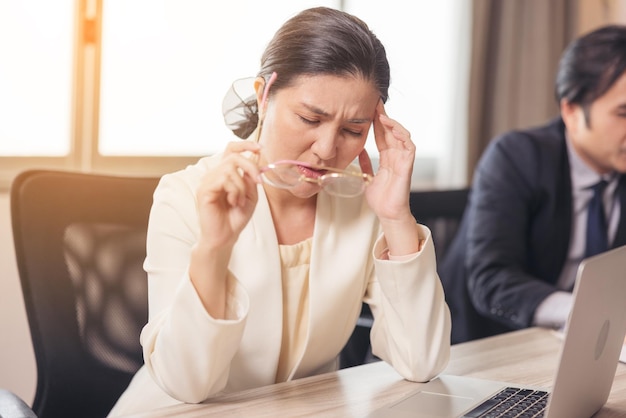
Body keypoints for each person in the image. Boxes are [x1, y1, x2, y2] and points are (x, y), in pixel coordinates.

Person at [108, 7, 451, 416]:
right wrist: (215, 248)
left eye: (352, 131)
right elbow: (186, 384)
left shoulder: (363, 205)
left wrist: (396, 218)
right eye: (310, 118)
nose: (326, 149)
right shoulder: (185, 196)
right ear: (263, 95)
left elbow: (423, 360)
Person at [441, 24, 626, 344]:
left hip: (578, 348)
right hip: (477, 347)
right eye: (623, 113)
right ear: (571, 109)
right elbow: (493, 279)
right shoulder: (517, 157)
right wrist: (584, 315)